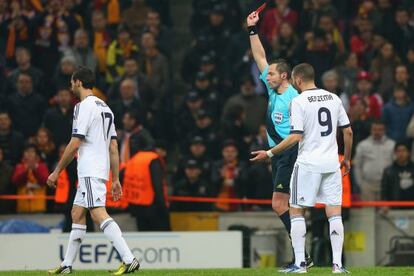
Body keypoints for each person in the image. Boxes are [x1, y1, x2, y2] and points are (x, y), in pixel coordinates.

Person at [251, 63, 353, 273]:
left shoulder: (298, 101)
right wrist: (348, 158)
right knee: (334, 213)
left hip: (307, 163)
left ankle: (301, 264)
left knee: (296, 211)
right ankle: (338, 265)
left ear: (297, 80)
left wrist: (270, 153)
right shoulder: (333, 98)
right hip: (331, 163)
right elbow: (348, 132)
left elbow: (296, 136)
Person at [46, 67, 139, 274]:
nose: (70, 86)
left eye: (71, 82)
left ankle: (129, 258)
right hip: (99, 169)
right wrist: (115, 179)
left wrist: (57, 171)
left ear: (78, 82)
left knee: (97, 214)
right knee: (77, 213)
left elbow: (75, 142)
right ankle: (67, 265)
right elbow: (113, 147)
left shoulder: (83, 107)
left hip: (89, 169)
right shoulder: (106, 108)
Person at [246, 10, 313, 269]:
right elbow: (260, 56)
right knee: (286, 205)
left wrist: (275, 153)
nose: (267, 76)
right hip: (281, 154)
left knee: (281, 204)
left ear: (284, 76)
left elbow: (301, 131)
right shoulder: (274, 91)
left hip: (291, 153)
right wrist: (252, 30)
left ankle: (302, 256)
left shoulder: (295, 98)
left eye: (271, 74)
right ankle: (301, 255)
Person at [353, 121, 395, 201]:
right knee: (367, 212)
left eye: (380, 130)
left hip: (386, 186)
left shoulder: (392, 145)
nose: (377, 132)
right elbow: (357, 166)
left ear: (384, 131)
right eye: (374, 129)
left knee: (384, 212)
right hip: (367, 185)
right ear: (371, 130)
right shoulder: (363, 145)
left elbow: (395, 165)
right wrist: (360, 184)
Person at [381, 143, 414, 209]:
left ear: (409, 153)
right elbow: (384, 190)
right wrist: (385, 204)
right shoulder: (388, 171)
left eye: (404, 150)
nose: (401, 154)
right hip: (394, 207)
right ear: (395, 153)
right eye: (398, 151)